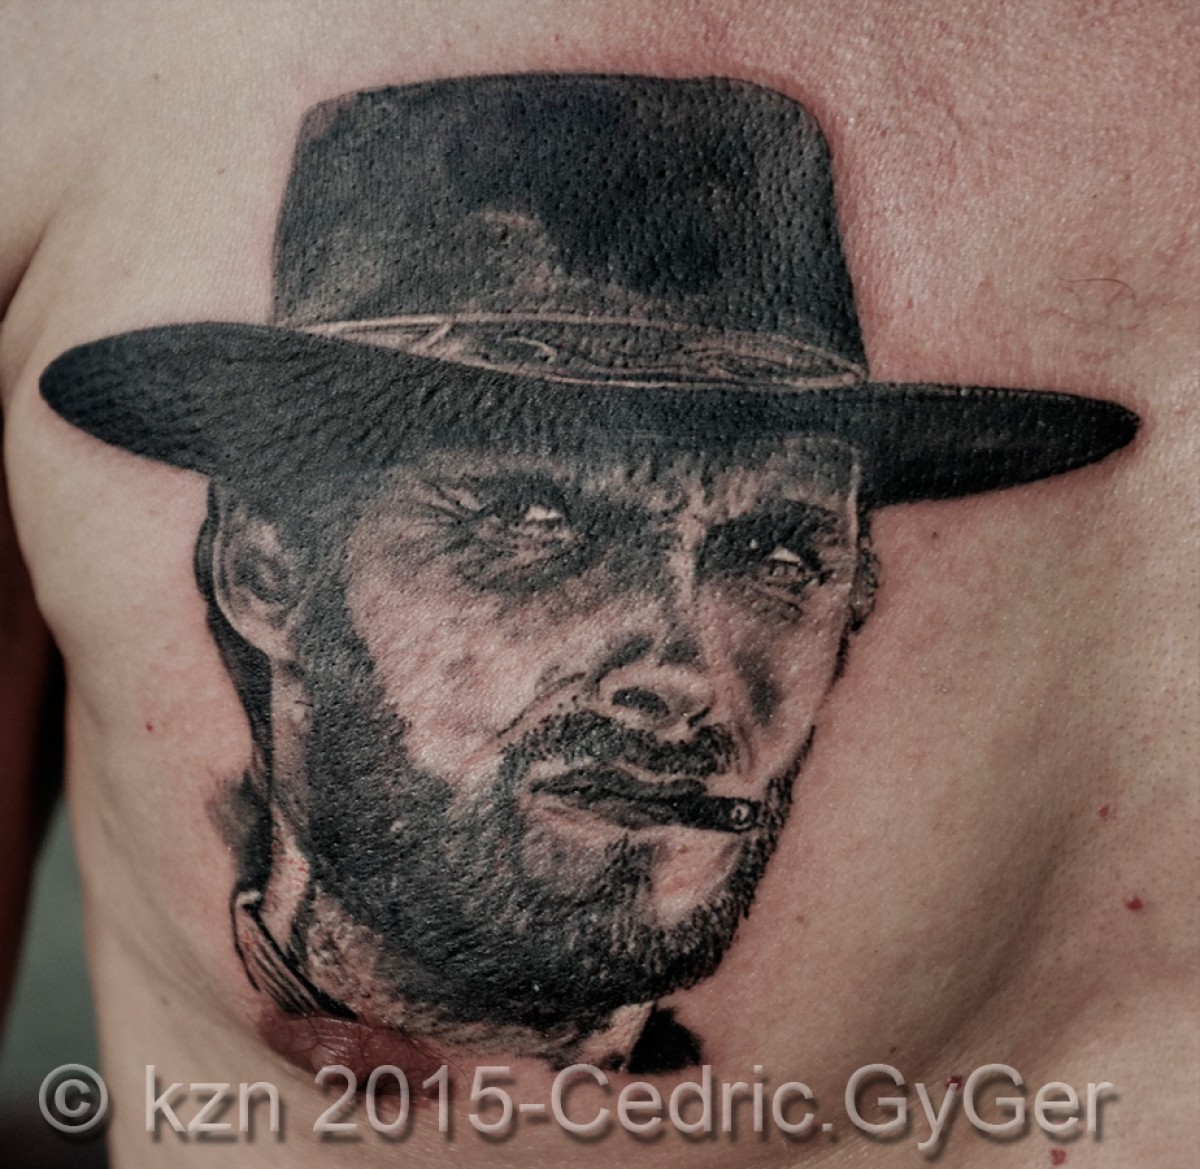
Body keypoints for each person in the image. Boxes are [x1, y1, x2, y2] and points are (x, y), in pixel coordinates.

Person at [2, 6, 1194, 1167]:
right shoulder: (74, 67)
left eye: (779, 556)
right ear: (265, 565)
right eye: (534, 527)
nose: (681, 673)